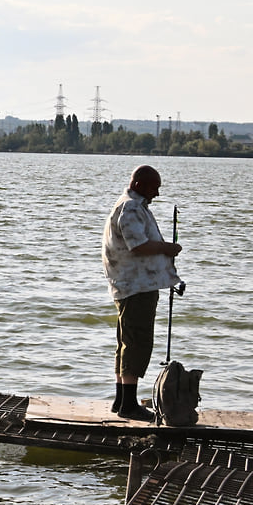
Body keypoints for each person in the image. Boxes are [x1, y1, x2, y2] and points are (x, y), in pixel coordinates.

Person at [102, 165, 182, 421]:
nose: (157, 194)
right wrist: (168, 248)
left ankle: (121, 401)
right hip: (135, 286)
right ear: (139, 185)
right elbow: (138, 246)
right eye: (153, 188)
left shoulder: (132, 205)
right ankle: (128, 405)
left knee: (126, 343)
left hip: (130, 285)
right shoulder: (132, 208)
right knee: (137, 343)